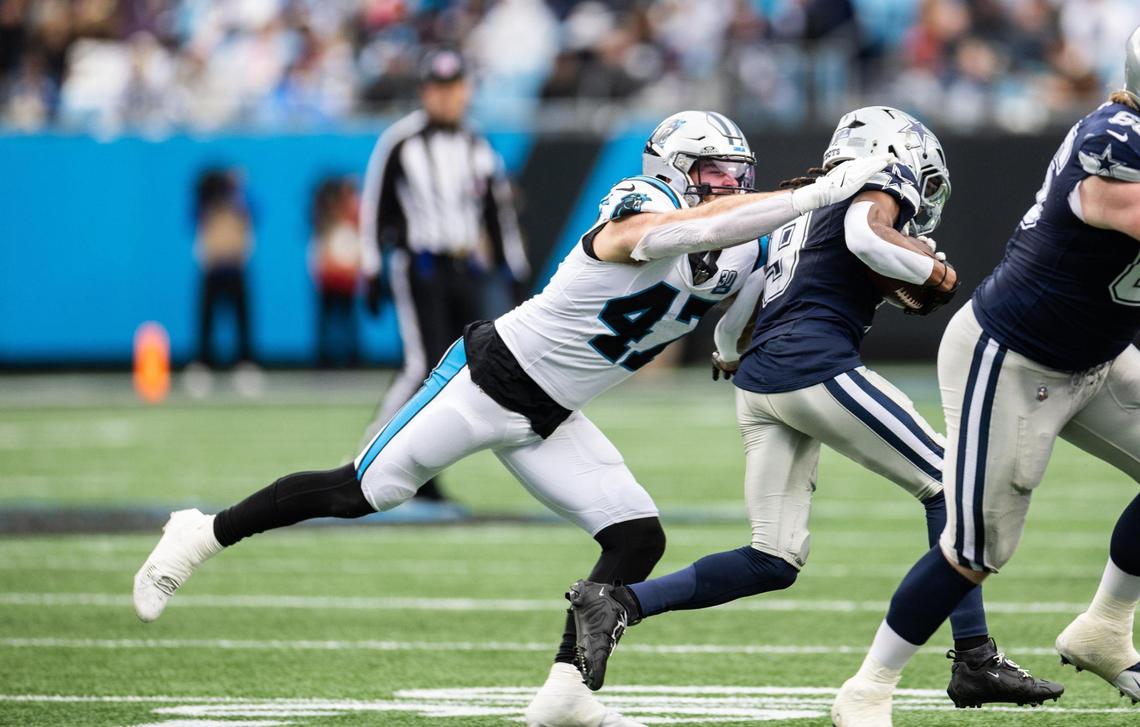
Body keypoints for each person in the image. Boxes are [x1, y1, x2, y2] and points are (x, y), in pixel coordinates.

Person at [132, 110, 889, 727]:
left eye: (736, 177)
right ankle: (200, 531)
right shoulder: (641, 201)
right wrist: (808, 197)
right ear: (672, 170)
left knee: (636, 536)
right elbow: (665, 238)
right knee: (362, 490)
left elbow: (736, 302)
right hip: (486, 380)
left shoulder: (737, 247)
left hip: (553, 414)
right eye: (713, 174)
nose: (727, 188)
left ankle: (565, 691)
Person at [567, 107, 1061, 710]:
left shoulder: (799, 207)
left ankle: (619, 602)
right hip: (812, 367)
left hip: (758, 384)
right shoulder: (879, 178)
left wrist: (726, 355)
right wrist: (936, 270)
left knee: (772, 559)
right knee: (950, 485)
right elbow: (863, 235)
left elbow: (739, 317)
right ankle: (975, 659)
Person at [831, 29, 1140, 726]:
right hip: (1014, 356)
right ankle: (868, 687)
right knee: (977, 547)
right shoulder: (1115, 142)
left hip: (1096, 353)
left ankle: (1105, 629)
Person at [358, 47, 529, 502]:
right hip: (420, 264)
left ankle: (423, 470)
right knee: (421, 364)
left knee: (457, 372)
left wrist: (513, 268)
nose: (448, 98)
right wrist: (371, 267)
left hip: (463, 268)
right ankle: (365, 462)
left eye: (454, 88)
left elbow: (498, 214)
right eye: (438, 88)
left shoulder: (477, 145)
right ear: (425, 92)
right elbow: (374, 207)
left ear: (466, 91)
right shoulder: (401, 141)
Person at [185, 167, 261, 398]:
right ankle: (203, 365)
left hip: (236, 266)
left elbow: (258, 210)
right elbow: (192, 215)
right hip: (213, 267)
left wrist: (239, 189)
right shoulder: (206, 204)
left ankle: (245, 364)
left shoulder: (240, 203)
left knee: (242, 319)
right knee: (206, 320)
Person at [310, 176, 362, 368]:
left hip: (347, 279)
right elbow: (320, 252)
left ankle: (353, 360)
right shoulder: (326, 220)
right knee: (327, 321)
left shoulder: (354, 219)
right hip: (329, 278)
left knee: (349, 321)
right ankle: (324, 360)